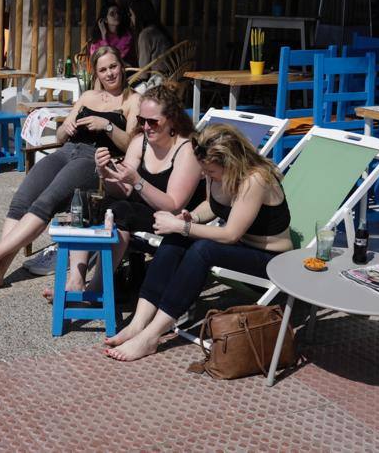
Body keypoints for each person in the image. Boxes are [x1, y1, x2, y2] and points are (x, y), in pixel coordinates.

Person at [104, 125, 292, 362]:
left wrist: (184, 227)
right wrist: (190, 218)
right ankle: (138, 323)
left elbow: (230, 234)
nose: (205, 176)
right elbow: (213, 206)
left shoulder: (255, 180)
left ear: (231, 163)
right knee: (175, 237)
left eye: (211, 172)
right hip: (243, 249)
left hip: (271, 262)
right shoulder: (216, 172)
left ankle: (152, 335)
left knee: (202, 249)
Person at [0, 46, 140, 288]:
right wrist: (65, 128)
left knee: (46, 202)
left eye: (113, 67)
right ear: (97, 74)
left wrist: (107, 126)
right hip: (66, 151)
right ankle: (0, 268)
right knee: (22, 199)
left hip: (94, 158)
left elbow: (133, 143)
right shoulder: (88, 96)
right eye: (103, 69)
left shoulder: (133, 101)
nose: (109, 73)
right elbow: (60, 137)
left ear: (122, 67)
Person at [44, 83, 203, 300]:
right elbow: (123, 188)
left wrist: (137, 182)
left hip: (171, 219)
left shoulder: (186, 151)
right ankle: (76, 280)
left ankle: (96, 288)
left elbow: (174, 205)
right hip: (139, 208)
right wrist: (105, 173)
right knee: (91, 203)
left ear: (172, 120)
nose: (146, 127)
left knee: (119, 211)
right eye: (141, 121)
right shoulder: (141, 142)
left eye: (153, 122)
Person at [130, 0, 173, 74]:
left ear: (138, 15)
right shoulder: (159, 29)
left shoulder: (145, 35)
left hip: (156, 80)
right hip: (169, 76)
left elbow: (143, 72)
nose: (131, 18)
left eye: (131, 14)